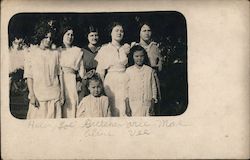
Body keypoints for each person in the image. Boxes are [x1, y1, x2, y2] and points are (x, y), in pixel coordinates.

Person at [24, 23, 64, 119]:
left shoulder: (55, 54)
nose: (48, 40)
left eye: (50, 38)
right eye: (46, 37)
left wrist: (62, 93)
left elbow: (59, 74)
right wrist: (32, 95)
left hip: (54, 94)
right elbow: (29, 76)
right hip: (39, 95)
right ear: (40, 36)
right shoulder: (31, 53)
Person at [95, 22, 130, 117]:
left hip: (125, 80)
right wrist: (101, 88)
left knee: (125, 108)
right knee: (113, 108)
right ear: (111, 33)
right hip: (111, 82)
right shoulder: (105, 49)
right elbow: (100, 72)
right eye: (116, 30)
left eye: (121, 31)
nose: (119, 33)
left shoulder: (126, 48)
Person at [132, 22, 163, 114]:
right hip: (137, 81)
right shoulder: (134, 47)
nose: (147, 33)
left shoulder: (155, 47)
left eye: (149, 30)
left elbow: (160, 67)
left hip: (152, 79)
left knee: (154, 107)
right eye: (144, 30)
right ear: (139, 32)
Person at [59, 25, 85, 118]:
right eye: (67, 34)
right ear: (62, 35)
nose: (70, 37)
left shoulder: (77, 51)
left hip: (72, 81)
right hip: (59, 80)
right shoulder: (57, 51)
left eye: (72, 35)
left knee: (72, 103)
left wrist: (80, 82)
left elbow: (82, 71)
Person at [125, 45, 157, 116]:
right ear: (132, 57)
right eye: (136, 56)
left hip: (147, 105)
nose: (139, 58)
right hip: (133, 105)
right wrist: (127, 106)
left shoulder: (149, 70)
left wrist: (152, 104)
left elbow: (153, 87)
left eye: (141, 56)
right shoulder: (129, 71)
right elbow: (125, 90)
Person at [79, 25, 101, 101]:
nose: (94, 38)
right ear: (87, 37)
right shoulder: (82, 51)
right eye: (91, 35)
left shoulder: (102, 49)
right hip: (86, 80)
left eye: (96, 35)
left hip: (99, 80)